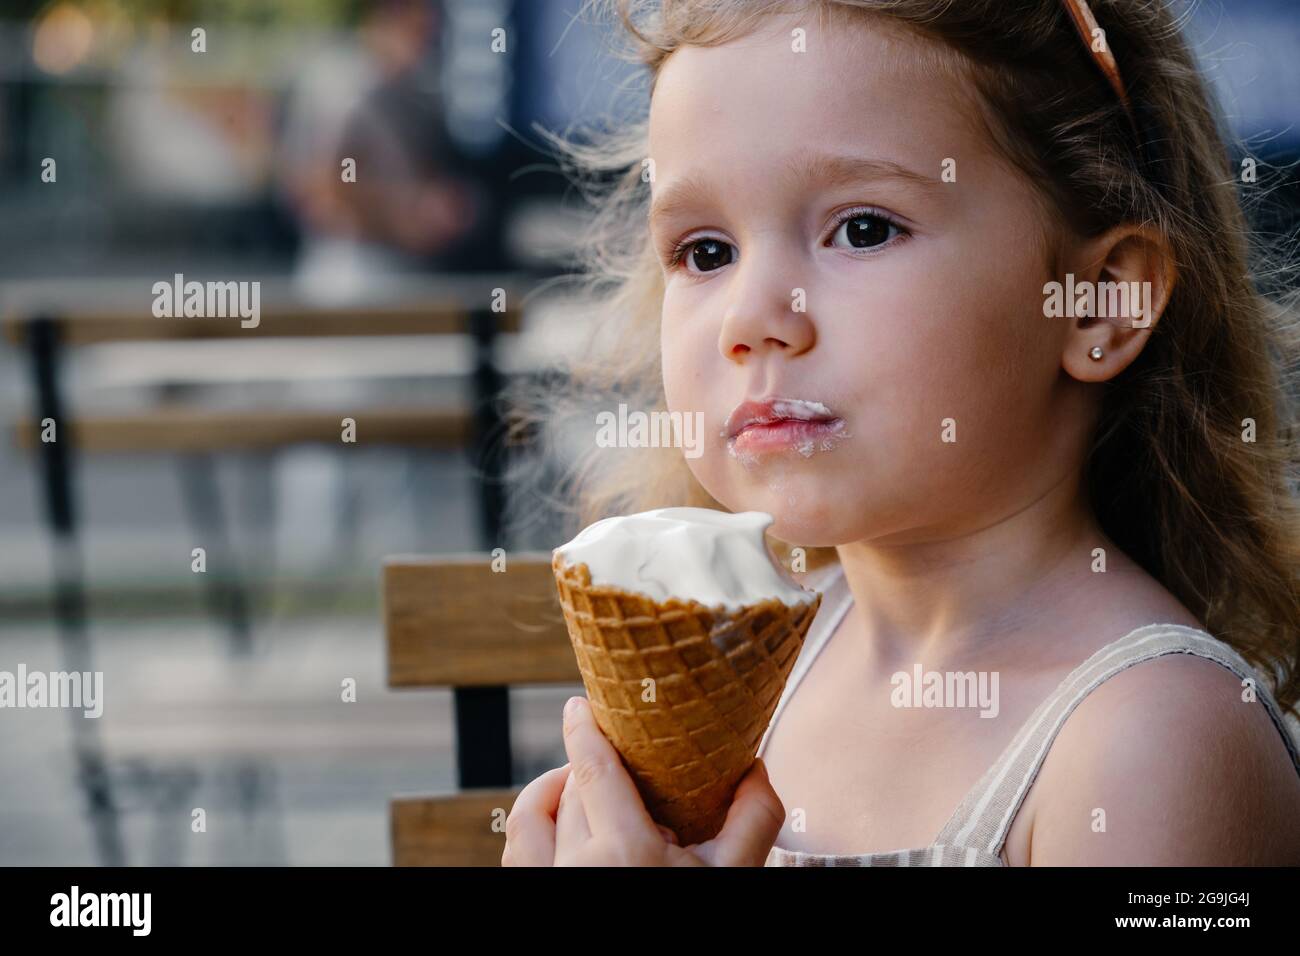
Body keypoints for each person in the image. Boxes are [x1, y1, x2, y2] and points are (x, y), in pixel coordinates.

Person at [502, 0, 1300, 866]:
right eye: (705, 252)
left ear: (1102, 299)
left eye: (863, 229)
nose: (754, 318)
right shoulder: (754, 671)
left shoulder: (1154, 741)